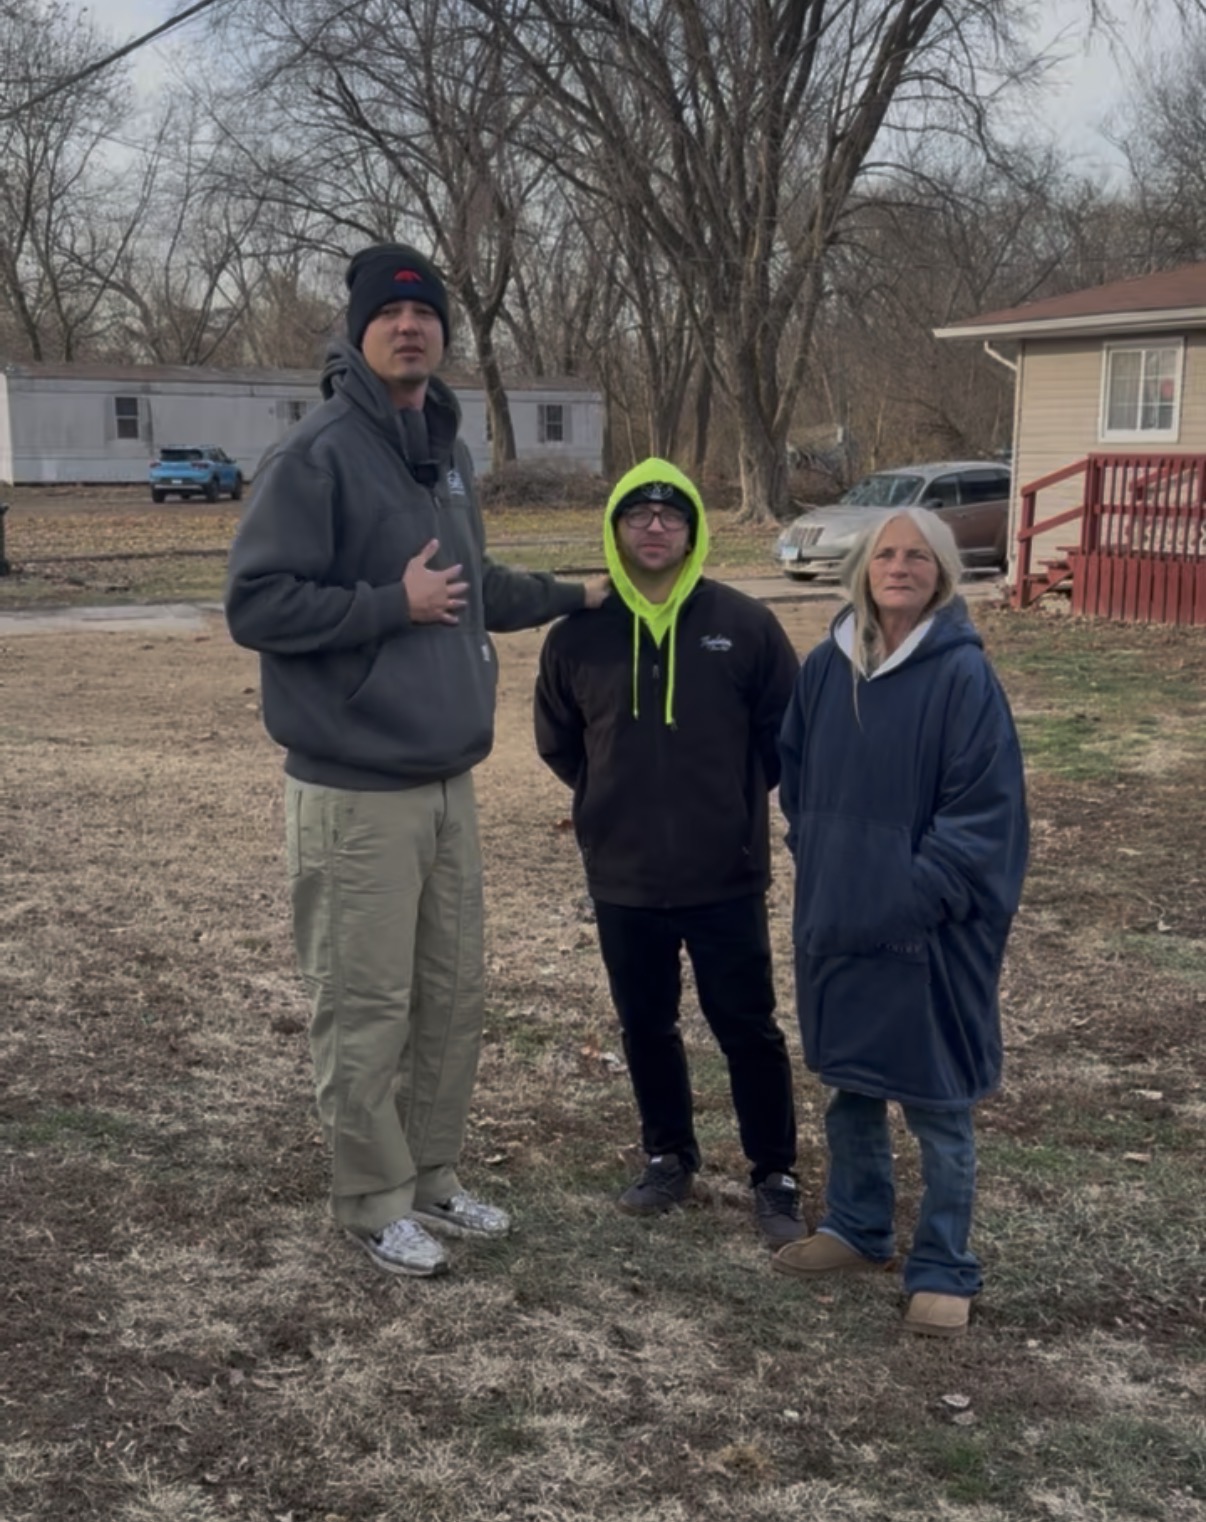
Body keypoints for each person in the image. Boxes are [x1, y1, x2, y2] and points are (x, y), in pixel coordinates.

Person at [225, 243, 607, 1279]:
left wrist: (573, 596)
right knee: (365, 1003)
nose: (410, 328)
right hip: (353, 791)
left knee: (449, 993)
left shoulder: (441, 450)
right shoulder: (318, 455)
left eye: (426, 316)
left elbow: (468, 585)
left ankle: (433, 1174)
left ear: (444, 335)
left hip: (446, 779)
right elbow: (254, 603)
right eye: (390, 316)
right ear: (357, 332)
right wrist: (389, 606)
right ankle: (370, 1198)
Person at [534, 458, 806, 1246]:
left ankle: (775, 1174)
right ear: (616, 529)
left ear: (693, 530)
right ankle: (668, 1156)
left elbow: (781, 738)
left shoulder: (746, 623)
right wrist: (612, 802)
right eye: (638, 515)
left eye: (672, 515)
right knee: (646, 1024)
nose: (655, 527)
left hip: (724, 872)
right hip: (623, 874)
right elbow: (559, 741)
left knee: (747, 1027)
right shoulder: (577, 634)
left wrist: (724, 806)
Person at [771, 508, 1028, 1336]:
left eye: (920, 555)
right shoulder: (825, 667)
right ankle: (857, 1225)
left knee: (938, 1100)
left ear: (943, 573)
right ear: (862, 568)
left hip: (929, 929)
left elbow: (983, 811)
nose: (901, 566)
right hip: (840, 913)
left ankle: (944, 1263)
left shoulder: (962, 677)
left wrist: (915, 890)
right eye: (886, 552)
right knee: (850, 1086)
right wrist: (820, 855)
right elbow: (796, 772)